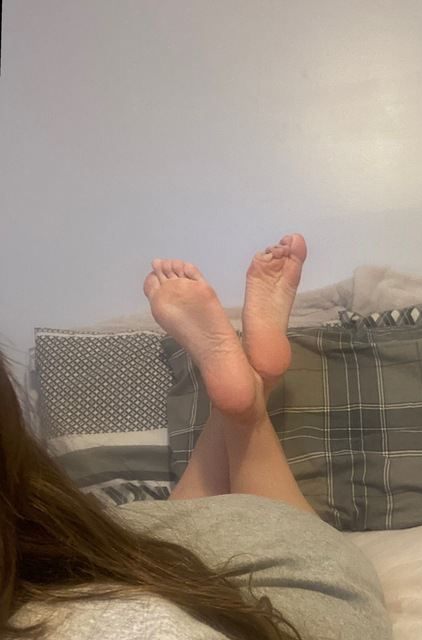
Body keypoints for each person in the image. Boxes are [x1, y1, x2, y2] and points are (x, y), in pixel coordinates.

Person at [0, 234, 392, 640]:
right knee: (203, 529)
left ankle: (247, 400)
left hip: (138, 546)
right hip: (132, 539)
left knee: (184, 534)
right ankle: (248, 400)